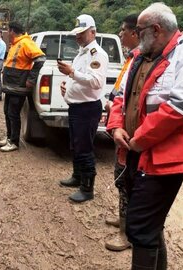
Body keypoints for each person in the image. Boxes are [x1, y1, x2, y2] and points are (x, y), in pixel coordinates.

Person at [107, 3, 183, 269]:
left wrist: (140, 139)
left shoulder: (182, 56)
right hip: (133, 151)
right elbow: (120, 96)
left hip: (161, 159)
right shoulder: (139, 56)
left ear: (156, 29)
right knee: (150, 226)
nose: (134, 36)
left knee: (140, 226)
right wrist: (116, 127)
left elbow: (178, 108)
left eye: (138, 31)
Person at [58, 14, 109, 203]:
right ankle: (77, 176)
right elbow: (81, 78)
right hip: (77, 107)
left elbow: (96, 82)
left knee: (84, 147)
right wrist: (68, 87)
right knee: (75, 145)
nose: (77, 37)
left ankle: (87, 189)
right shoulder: (82, 53)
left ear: (93, 32)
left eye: (82, 33)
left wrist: (71, 72)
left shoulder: (97, 54)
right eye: (76, 33)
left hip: (87, 109)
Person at [104, 14, 139, 252]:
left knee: (128, 182)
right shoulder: (132, 58)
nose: (120, 35)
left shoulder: (142, 60)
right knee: (121, 179)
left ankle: (126, 233)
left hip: (130, 135)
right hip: (121, 127)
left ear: (136, 33)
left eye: (123, 31)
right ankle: (123, 220)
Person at [0, 22, 45, 152]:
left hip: (18, 86)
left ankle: (14, 142)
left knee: (13, 114)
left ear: (12, 31)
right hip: (10, 86)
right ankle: (9, 138)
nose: (7, 33)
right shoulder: (16, 43)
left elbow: (40, 59)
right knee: (7, 112)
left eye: (8, 30)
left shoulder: (25, 43)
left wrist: (31, 78)